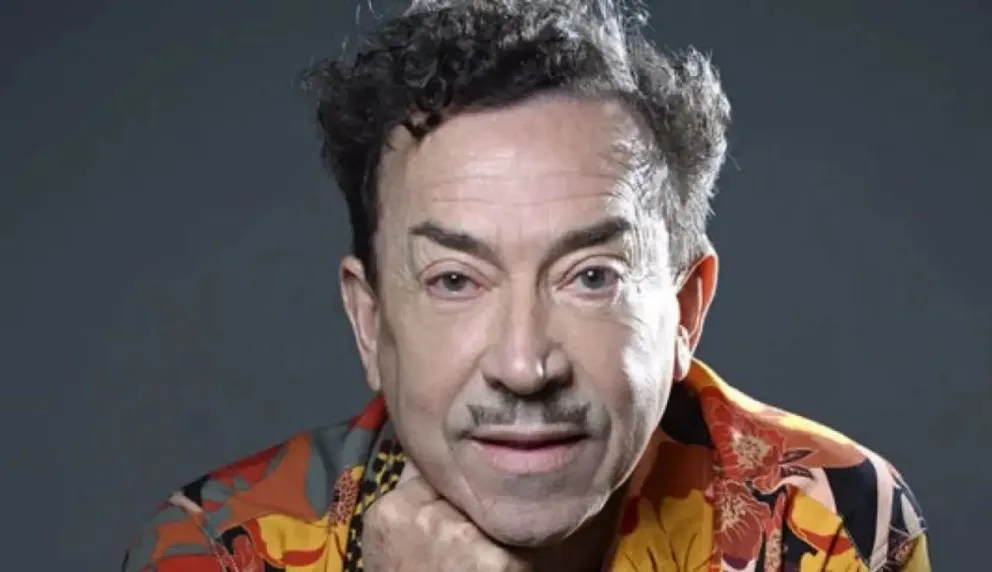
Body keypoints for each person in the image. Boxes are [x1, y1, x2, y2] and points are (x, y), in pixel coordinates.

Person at [120, 0, 930, 570]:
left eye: (591, 277)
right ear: (370, 323)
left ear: (685, 310)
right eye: (455, 279)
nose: (524, 364)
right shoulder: (220, 547)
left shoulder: (826, 519)